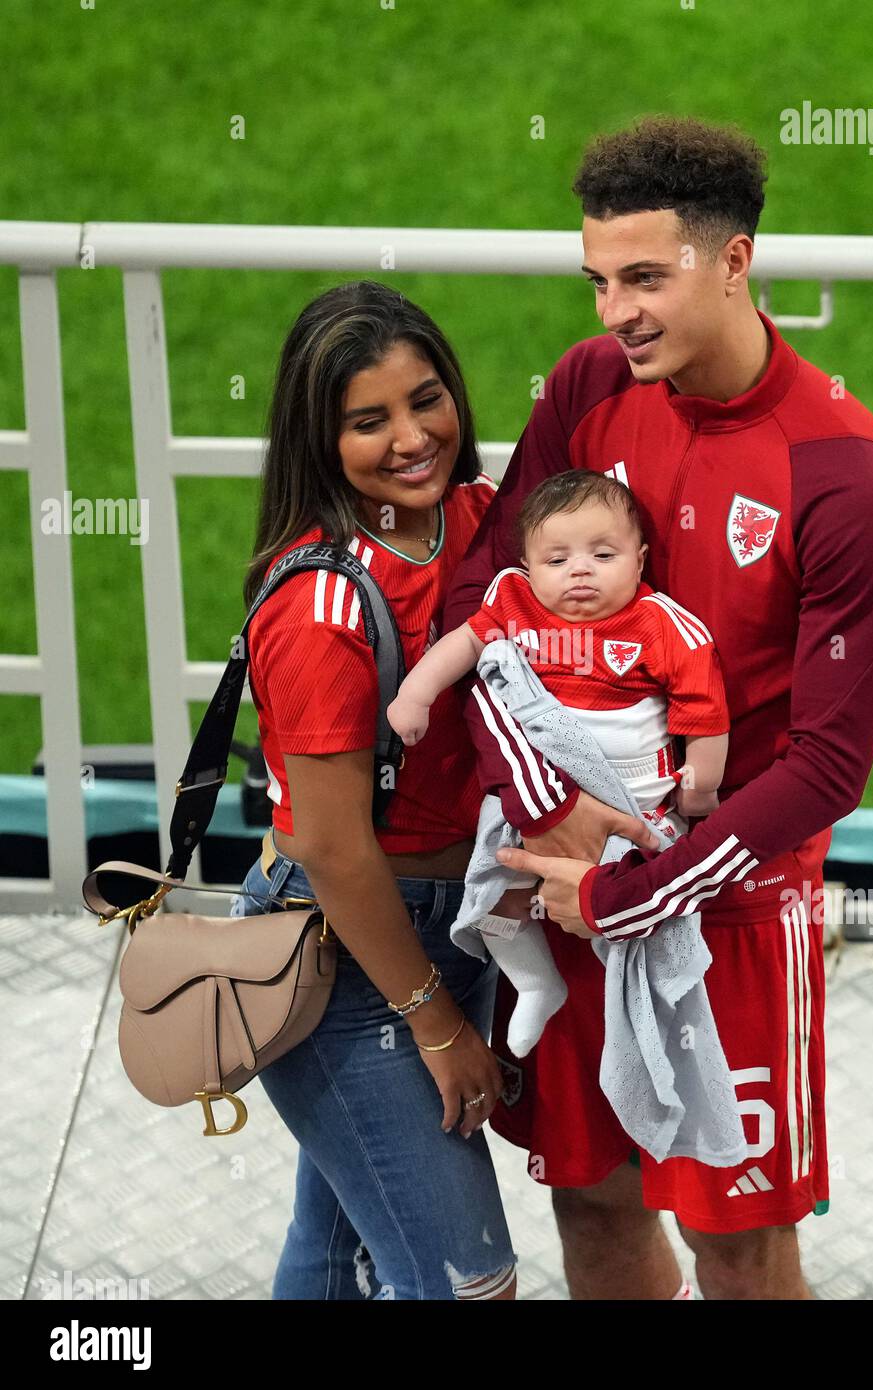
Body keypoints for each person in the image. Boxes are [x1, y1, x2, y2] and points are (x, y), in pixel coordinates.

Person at [441, 115, 873, 1300]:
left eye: (646, 279)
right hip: (566, 864)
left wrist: (634, 883)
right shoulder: (589, 385)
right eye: (600, 280)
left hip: (733, 907)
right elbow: (486, 599)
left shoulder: (849, 479)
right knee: (590, 1208)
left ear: (736, 259)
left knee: (739, 1248)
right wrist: (554, 815)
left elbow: (825, 765)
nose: (616, 312)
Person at [228, 280, 540, 1301]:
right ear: (319, 439)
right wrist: (435, 1022)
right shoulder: (318, 602)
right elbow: (333, 847)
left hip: (458, 925)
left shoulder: (481, 520)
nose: (412, 436)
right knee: (463, 1278)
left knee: (338, 1251)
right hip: (347, 953)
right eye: (369, 420)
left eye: (427, 397)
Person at [387, 468, 729, 1058]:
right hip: (532, 797)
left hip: (634, 800)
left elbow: (704, 712)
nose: (580, 570)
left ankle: (644, 1002)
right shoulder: (514, 603)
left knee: (637, 907)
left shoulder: (664, 624)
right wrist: (416, 693)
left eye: (603, 554)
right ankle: (535, 981)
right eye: (557, 559)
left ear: (640, 560)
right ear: (526, 565)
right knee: (495, 898)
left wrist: (701, 789)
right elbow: (464, 646)